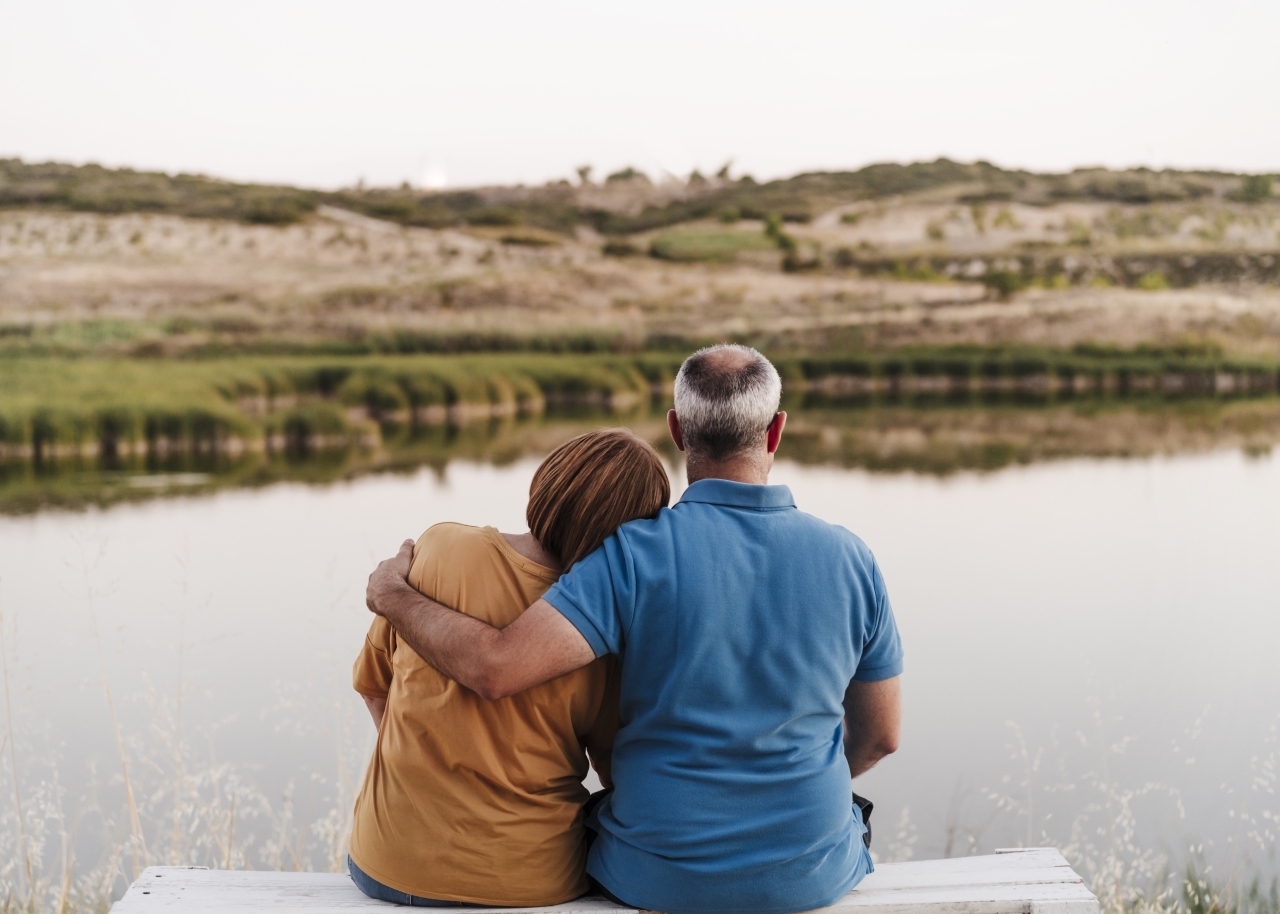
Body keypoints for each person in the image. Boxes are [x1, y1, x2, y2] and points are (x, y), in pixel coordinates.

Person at [365, 344, 903, 914]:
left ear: (676, 430)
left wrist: (392, 596)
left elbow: (497, 668)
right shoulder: (853, 560)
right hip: (812, 873)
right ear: (775, 432)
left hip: (655, 877)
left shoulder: (630, 555)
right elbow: (881, 737)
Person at [348, 429, 670, 907]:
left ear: (546, 482)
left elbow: (374, 688)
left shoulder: (439, 550)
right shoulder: (606, 629)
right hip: (530, 882)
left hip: (386, 865)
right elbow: (618, 773)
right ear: (634, 530)